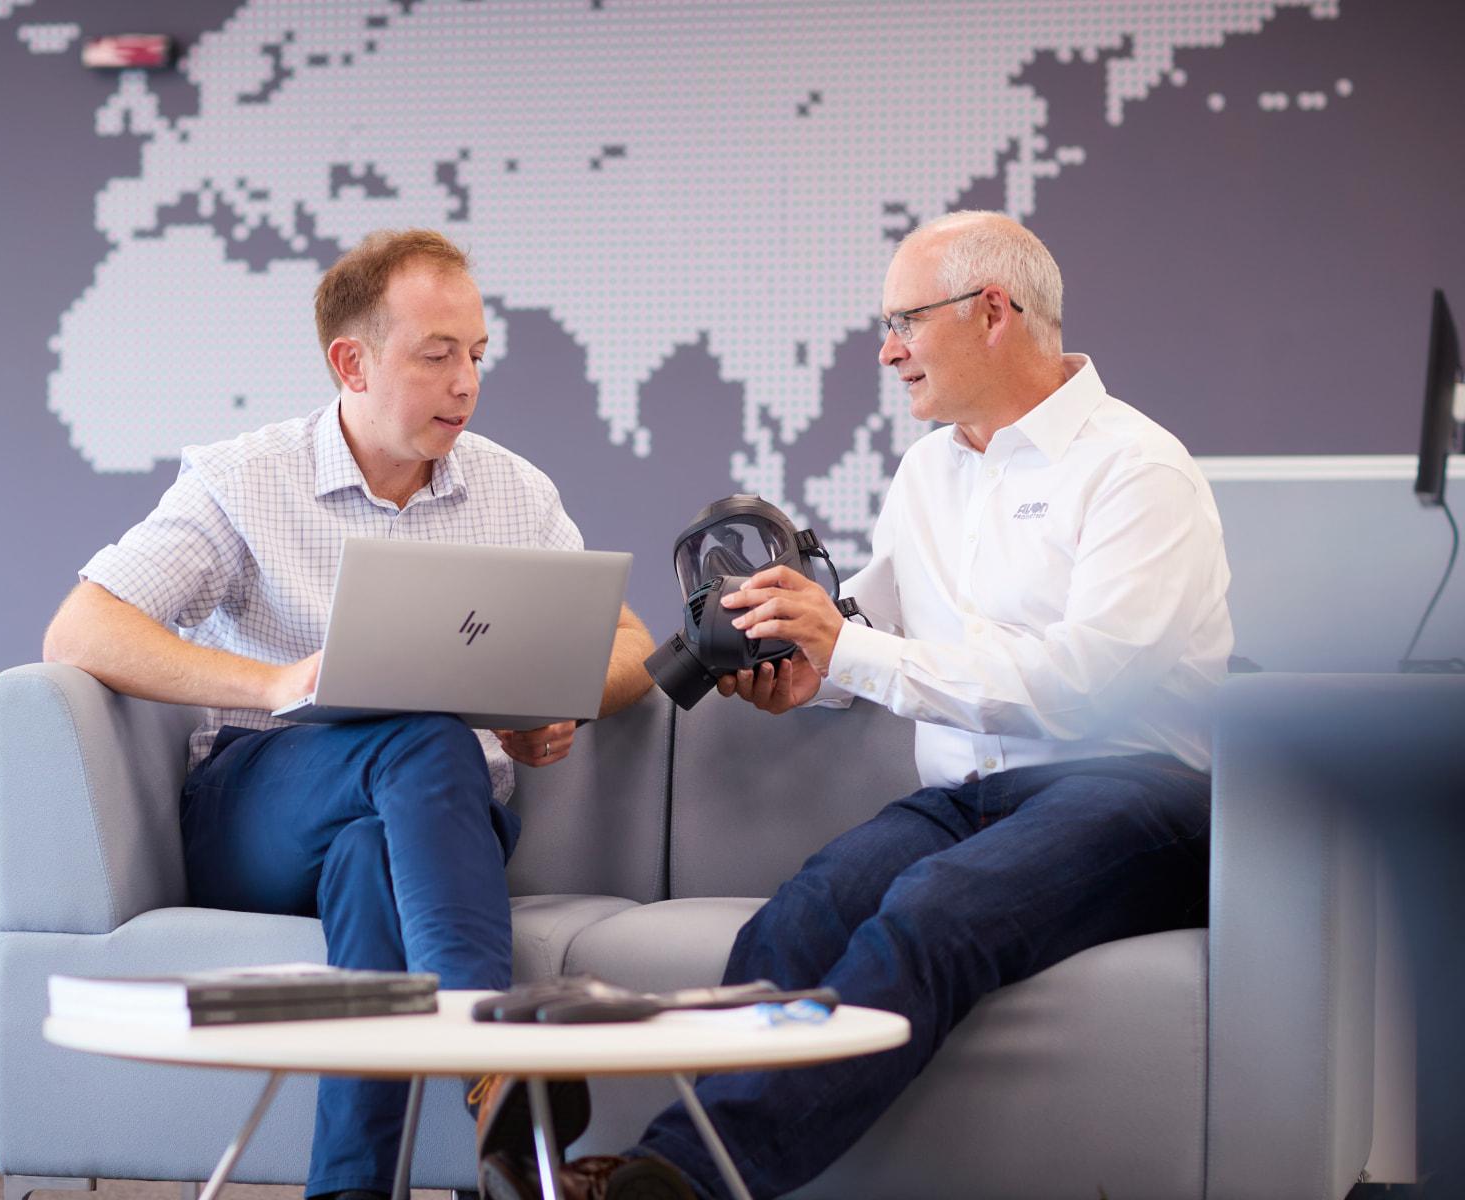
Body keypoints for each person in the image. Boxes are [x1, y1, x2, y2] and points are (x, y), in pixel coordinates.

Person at [475, 210, 1233, 1200]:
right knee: (799, 917)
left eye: (906, 321)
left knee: (935, 909)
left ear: (993, 310)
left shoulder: (1138, 469)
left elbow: (1090, 685)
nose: (888, 350)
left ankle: (675, 1183)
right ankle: (670, 1168)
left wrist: (854, 649)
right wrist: (805, 669)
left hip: (1138, 790)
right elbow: (878, 629)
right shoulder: (932, 470)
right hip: (974, 796)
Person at [42, 228, 656, 1200]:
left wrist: (559, 693)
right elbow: (80, 629)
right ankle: (490, 1044)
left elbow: (630, 644)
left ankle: (350, 1192)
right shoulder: (245, 479)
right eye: (437, 354)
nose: (467, 382)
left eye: (477, 355)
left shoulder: (513, 490)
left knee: (380, 847)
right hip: (257, 808)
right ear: (351, 361)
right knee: (426, 733)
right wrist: (273, 683)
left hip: (429, 822)